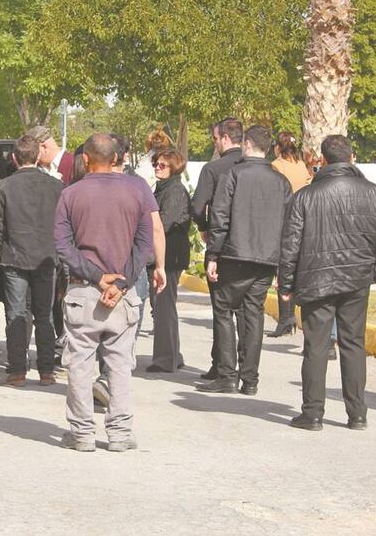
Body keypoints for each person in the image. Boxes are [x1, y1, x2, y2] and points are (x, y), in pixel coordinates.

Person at [279, 135, 376, 431]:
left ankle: (313, 413)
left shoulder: (305, 196)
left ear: (323, 160)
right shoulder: (374, 193)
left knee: (316, 347)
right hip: (356, 281)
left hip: (318, 281)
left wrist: (286, 285)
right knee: (353, 344)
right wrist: (371, 274)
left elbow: (290, 245)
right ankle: (357, 414)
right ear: (352, 157)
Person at [54, 133, 155, 453]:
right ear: (116, 158)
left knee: (80, 364)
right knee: (120, 365)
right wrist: (122, 282)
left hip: (84, 290)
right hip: (123, 294)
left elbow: (63, 247)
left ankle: (82, 433)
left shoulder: (70, 194)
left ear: (85, 159)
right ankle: (120, 433)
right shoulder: (137, 192)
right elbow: (145, 245)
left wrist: (98, 278)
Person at [198, 126, 291, 395]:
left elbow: (220, 216)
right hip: (266, 258)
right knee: (253, 314)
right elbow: (288, 224)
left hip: (234, 254)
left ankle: (227, 374)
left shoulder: (233, 174)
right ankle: (250, 379)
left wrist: (213, 254)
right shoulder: (281, 182)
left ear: (247, 144)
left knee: (224, 310)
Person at [0, 134, 64, 387]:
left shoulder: (4, 186)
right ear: (39, 156)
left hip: (14, 258)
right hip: (47, 258)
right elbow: (63, 226)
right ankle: (46, 371)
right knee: (45, 316)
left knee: (16, 314)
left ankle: (17, 370)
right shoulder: (56, 186)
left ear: (14, 158)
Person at [190, 117, 244, 381]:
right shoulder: (261, 168)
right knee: (247, 311)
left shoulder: (213, 169)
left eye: (215, 139)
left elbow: (198, 206)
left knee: (221, 310)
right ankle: (248, 369)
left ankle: (223, 365)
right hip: (254, 246)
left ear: (225, 138)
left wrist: (204, 226)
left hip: (221, 245)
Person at [146, 148, 190, 373]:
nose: (157, 168)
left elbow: (163, 224)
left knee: (163, 306)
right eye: (156, 164)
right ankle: (172, 354)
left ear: (174, 168)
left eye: (162, 165)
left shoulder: (174, 191)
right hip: (164, 255)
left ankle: (166, 358)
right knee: (164, 306)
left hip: (169, 256)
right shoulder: (164, 189)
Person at [268, 130, 312, 338]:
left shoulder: (276, 166)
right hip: (303, 220)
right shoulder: (301, 165)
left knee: (283, 269)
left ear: (278, 146)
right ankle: (290, 317)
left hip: (284, 220)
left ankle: (286, 318)